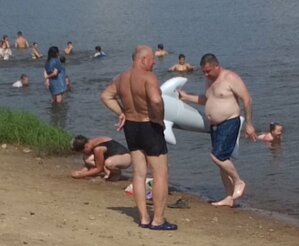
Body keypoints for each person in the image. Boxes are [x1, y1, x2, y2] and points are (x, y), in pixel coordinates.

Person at [100, 45, 174, 230]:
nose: (154, 63)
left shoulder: (121, 78)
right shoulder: (149, 77)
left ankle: (144, 218)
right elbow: (156, 100)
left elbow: (106, 96)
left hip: (131, 126)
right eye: (152, 59)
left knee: (139, 173)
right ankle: (158, 220)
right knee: (160, 173)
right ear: (143, 60)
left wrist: (122, 112)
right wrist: (159, 118)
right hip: (149, 125)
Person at [177, 53, 257, 207]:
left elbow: (247, 99)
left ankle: (238, 181)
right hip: (215, 126)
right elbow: (208, 99)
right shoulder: (209, 80)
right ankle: (229, 197)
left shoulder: (230, 78)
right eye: (204, 72)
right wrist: (187, 97)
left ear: (216, 66)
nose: (206, 75)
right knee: (222, 162)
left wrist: (249, 124)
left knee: (217, 156)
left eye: (208, 71)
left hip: (230, 121)